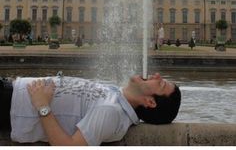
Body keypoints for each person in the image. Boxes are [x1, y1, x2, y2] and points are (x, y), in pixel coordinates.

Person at [0, 73, 181, 146]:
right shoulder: (116, 97)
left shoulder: (113, 113)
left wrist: (42, 106)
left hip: (8, 104)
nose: (156, 75)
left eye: (161, 83)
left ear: (150, 102)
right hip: (9, 90)